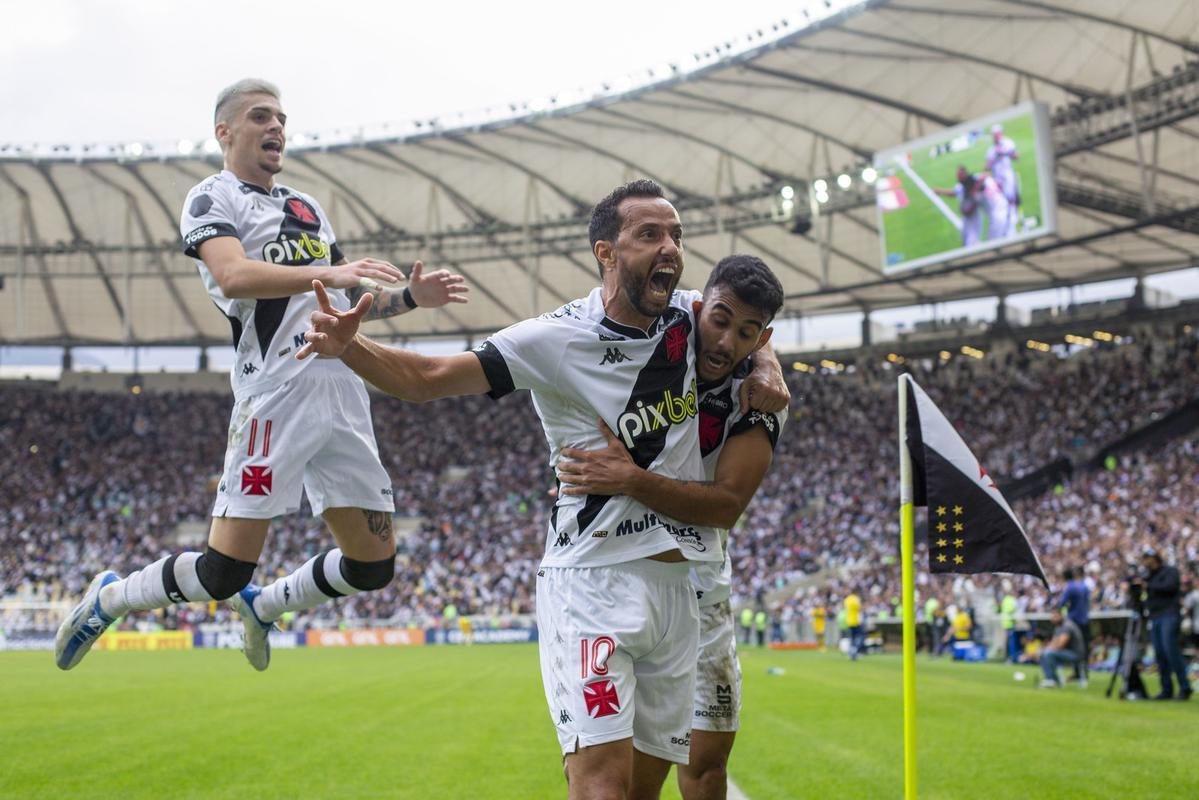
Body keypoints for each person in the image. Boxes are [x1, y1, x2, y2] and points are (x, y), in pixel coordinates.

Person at [296, 179, 789, 800]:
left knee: (641, 792)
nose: (669, 247)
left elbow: (749, 330)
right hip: (594, 581)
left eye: (676, 235)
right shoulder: (556, 338)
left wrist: (768, 366)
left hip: (678, 593)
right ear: (605, 252)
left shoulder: (693, 316)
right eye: (649, 234)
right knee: (601, 787)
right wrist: (352, 348)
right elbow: (429, 376)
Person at [54, 78, 469, 672]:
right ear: (224, 131)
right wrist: (333, 271)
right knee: (222, 571)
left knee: (373, 566)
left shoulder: (307, 207)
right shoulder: (210, 198)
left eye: (280, 118)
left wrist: (408, 297)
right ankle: (111, 597)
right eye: (260, 116)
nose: (276, 126)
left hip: (342, 387)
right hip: (276, 391)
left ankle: (266, 606)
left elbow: (344, 300)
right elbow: (233, 277)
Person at [552, 252, 786, 800]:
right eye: (720, 322)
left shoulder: (761, 398)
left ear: (761, 337)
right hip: (623, 577)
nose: (726, 342)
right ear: (700, 310)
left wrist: (767, 364)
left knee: (706, 764)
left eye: (747, 334)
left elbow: (727, 505)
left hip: (704, 587)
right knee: (609, 767)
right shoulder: (659, 334)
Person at [1143, 548, 1192, 700]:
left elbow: (1170, 586)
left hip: (1169, 614)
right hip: (1155, 616)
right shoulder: (1148, 575)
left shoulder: (1170, 571)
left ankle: (1184, 687)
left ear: (1155, 558)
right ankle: (1166, 689)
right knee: (1159, 653)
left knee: (1170, 650)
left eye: (1148, 558)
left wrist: (1149, 585)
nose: (1146, 561)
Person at [1038, 608, 1086, 688]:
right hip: (1065, 652)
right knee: (1043, 653)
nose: (1053, 618)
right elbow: (1054, 642)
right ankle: (1054, 680)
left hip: (1075, 654)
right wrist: (1044, 649)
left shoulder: (1067, 626)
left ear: (1061, 616)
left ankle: (1051, 680)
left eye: (1055, 616)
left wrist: (1048, 649)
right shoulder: (1058, 627)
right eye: (1052, 616)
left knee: (1048, 654)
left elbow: (1061, 644)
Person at [985, 123, 1020, 233]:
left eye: (997, 134)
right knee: (1002, 202)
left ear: (1001, 133)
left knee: (1011, 198)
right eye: (994, 135)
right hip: (997, 178)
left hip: (1007, 176)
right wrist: (993, 158)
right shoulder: (991, 150)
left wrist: (1006, 152)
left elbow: (1017, 156)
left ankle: (1013, 219)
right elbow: (987, 167)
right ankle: (1005, 222)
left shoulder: (1008, 143)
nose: (996, 136)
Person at [1058, 566, 1091, 679]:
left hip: (1074, 621)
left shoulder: (1070, 587)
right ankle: (1084, 672)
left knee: (1073, 647)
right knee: (1084, 647)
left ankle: (1077, 673)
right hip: (1085, 620)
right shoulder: (1085, 587)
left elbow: (1062, 603)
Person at [844, 589, 863, 660]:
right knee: (859, 637)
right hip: (855, 621)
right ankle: (855, 651)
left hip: (849, 621)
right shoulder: (856, 599)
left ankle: (851, 652)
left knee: (851, 637)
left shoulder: (847, 599)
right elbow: (859, 609)